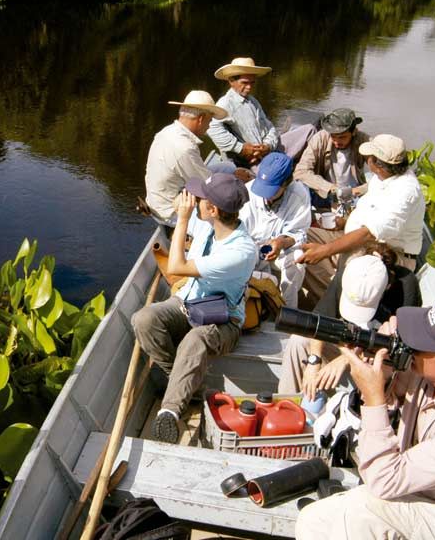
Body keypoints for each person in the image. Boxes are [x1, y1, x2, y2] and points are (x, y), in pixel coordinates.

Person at [295, 293, 435, 540]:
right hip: (426, 492)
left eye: (422, 342)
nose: (410, 343)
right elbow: (395, 399)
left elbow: (383, 481)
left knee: (363, 509)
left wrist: (374, 397)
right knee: (314, 520)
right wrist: (387, 364)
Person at [132, 173, 256, 443]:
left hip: (224, 321)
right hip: (188, 303)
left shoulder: (240, 251)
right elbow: (170, 216)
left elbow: (176, 266)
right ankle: (186, 382)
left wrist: (185, 218)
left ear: (212, 210)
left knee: (194, 339)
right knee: (144, 320)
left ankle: (170, 410)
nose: (194, 201)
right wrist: (175, 212)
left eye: (200, 199)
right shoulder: (207, 224)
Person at [278, 244, 421, 397]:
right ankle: (288, 403)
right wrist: (314, 360)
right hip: (348, 343)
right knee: (298, 341)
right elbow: (320, 320)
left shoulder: (406, 288)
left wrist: (346, 359)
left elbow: (402, 347)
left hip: (380, 355)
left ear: (387, 287)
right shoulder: (351, 272)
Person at [297, 134, 426, 295]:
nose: (366, 159)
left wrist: (325, 250)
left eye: (368, 158)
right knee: (301, 237)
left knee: (324, 262)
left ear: (378, 165)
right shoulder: (382, 178)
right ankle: (331, 288)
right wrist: (345, 222)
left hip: (387, 253)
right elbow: (370, 214)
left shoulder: (405, 191)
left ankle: (336, 298)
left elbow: (368, 234)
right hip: (359, 239)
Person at [144, 90, 229, 225]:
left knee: (226, 168)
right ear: (200, 119)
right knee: (229, 207)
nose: (208, 127)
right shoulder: (185, 147)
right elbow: (208, 185)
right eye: (210, 121)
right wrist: (236, 183)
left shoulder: (166, 131)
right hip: (170, 213)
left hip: (157, 202)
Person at [238, 152, 310, 307]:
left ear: (287, 183)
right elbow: (237, 233)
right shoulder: (248, 191)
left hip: (280, 251)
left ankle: (288, 310)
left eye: (271, 190)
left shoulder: (299, 195)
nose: (266, 195)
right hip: (248, 249)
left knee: (297, 259)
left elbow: (299, 234)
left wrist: (280, 242)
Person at [208, 57, 279, 168]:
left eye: (252, 83)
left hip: (264, 153)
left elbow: (270, 127)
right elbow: (211, 128)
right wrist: (241, 148)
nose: (249, 87)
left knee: (308, 130)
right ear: (231, 81)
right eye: (245, 83)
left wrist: (267, 146)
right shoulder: (225, 104)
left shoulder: (253, 101)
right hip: (248, 162)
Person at [293, 108, 370, 206]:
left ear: (354, 131)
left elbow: (387, 174)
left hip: (354, 194)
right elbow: (300, 172)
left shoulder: (363, 140)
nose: (337, 142)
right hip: (325, 192)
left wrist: (357, 190)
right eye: (333, 136)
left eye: (342, 137)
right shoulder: (320, 138)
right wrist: (331, 188)